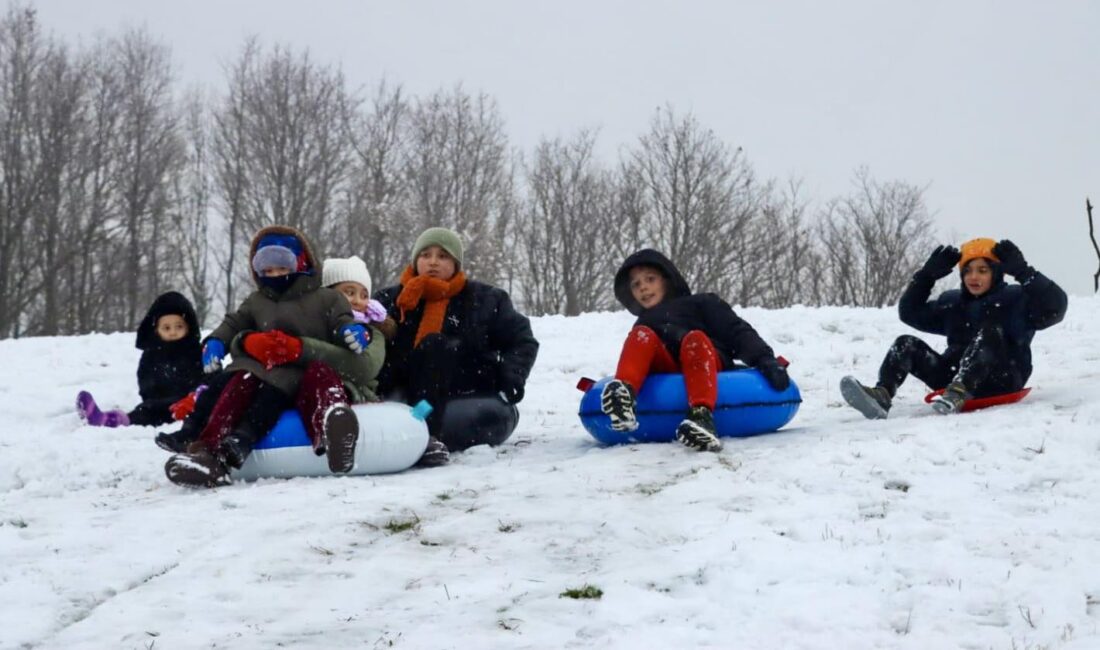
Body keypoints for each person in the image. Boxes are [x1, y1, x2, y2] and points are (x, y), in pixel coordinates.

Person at [161, 225, 368, 487]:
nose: (275, 275)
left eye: (282, 268)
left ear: (301, 263)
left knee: (270, 393)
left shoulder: (326, 299)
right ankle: (204, 448)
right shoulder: (257, 301)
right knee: (231, 385)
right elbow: (234, 323)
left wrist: (351, 331)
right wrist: (215, 341)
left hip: (297, 370)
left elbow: (341, 320)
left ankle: (255, 438)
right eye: (267, 271)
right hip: (260, 368)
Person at [840, 238, 1067, 418]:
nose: (973, 277)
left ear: (996, 273)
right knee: (905, 343)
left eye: (982, 270)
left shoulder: (1017, 300)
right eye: (967, 271)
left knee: (990, 332)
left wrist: (1024, 272)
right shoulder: (953, 303)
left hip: (1002, 378)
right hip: (951, 378)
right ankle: (882, 396)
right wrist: (926, 277)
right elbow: (909, 313)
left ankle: (960, 390)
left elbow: (1056, 306)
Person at [375, 227, 539, 466]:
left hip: (465, 384)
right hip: (405, 382)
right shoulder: (390, 300)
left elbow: (521, 341)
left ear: (455, 263)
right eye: (425, 255)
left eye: (442, 256)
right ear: (415, 260)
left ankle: (426, 434)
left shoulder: (486, 299)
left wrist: (511, 378)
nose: (433, 262)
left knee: (436, 345)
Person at [600, 249, 790, 452]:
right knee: (641, 335)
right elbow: (638, 355)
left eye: (650, 279)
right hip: (667, 367)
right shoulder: (643, 322)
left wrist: (766, 360)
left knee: (694, 340)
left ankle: (701, 415)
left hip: (705, 360)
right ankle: (623, 396)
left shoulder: (702, 303)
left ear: (667, 280)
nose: (643, 288)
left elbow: (737, 332)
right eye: (636, 284)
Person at [76, 291, 203, 428]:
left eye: (179, 326)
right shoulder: (152, 354)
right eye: (166, 328)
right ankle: (111, 419)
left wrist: (193, 396)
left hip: (189, 405)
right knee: (142, 413)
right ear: (157, 330)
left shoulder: (195, 352)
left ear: (188, 327)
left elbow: (207, 379)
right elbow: (146, 381)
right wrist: (156, 399)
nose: (173, 332)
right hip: (157, 406)